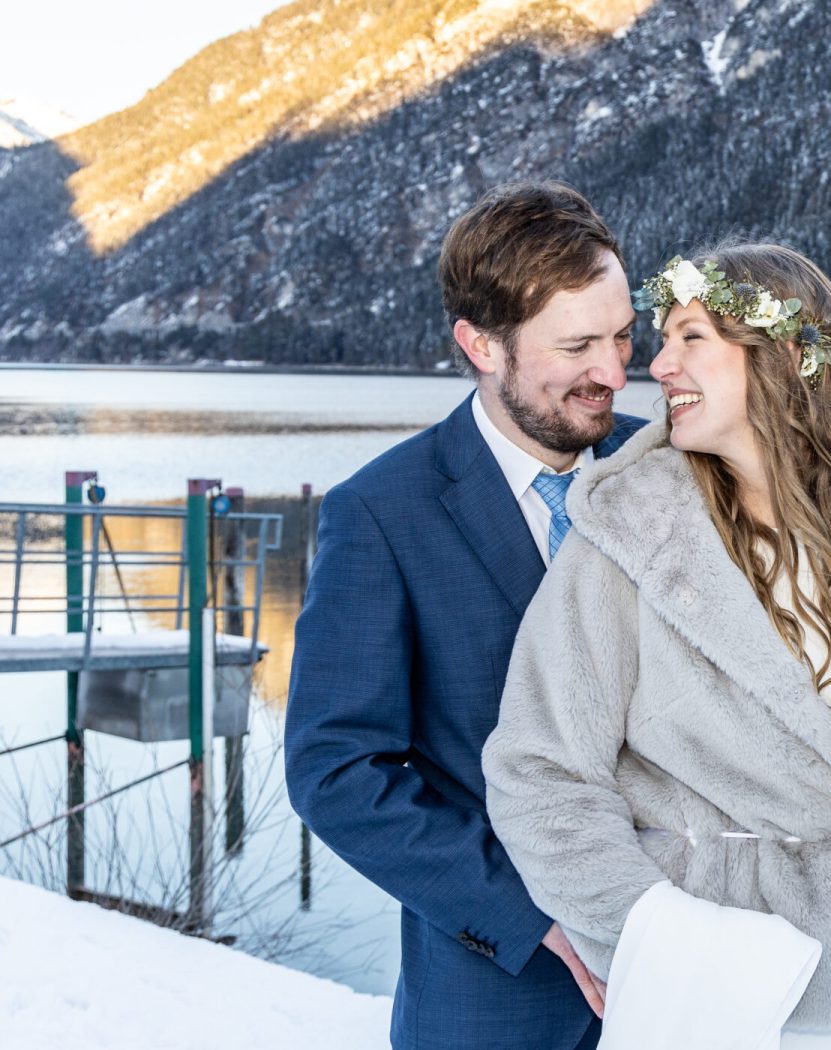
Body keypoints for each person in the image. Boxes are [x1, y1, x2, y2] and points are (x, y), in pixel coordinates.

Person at [482, 242, 831, 1044]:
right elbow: (539, 772)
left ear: (784, 352)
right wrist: (654, 937)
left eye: (690, 337)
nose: (655, 365)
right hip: (704, 990)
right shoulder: (629, 534)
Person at [285, 181, 646, 1050]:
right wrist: (539, 918)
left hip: (697, 985)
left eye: (625, 334)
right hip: (499, 998)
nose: (614, 371)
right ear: (482, 344)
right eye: (578, 345)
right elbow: (337, 769)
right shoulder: (381, 512)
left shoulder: (672, 469)